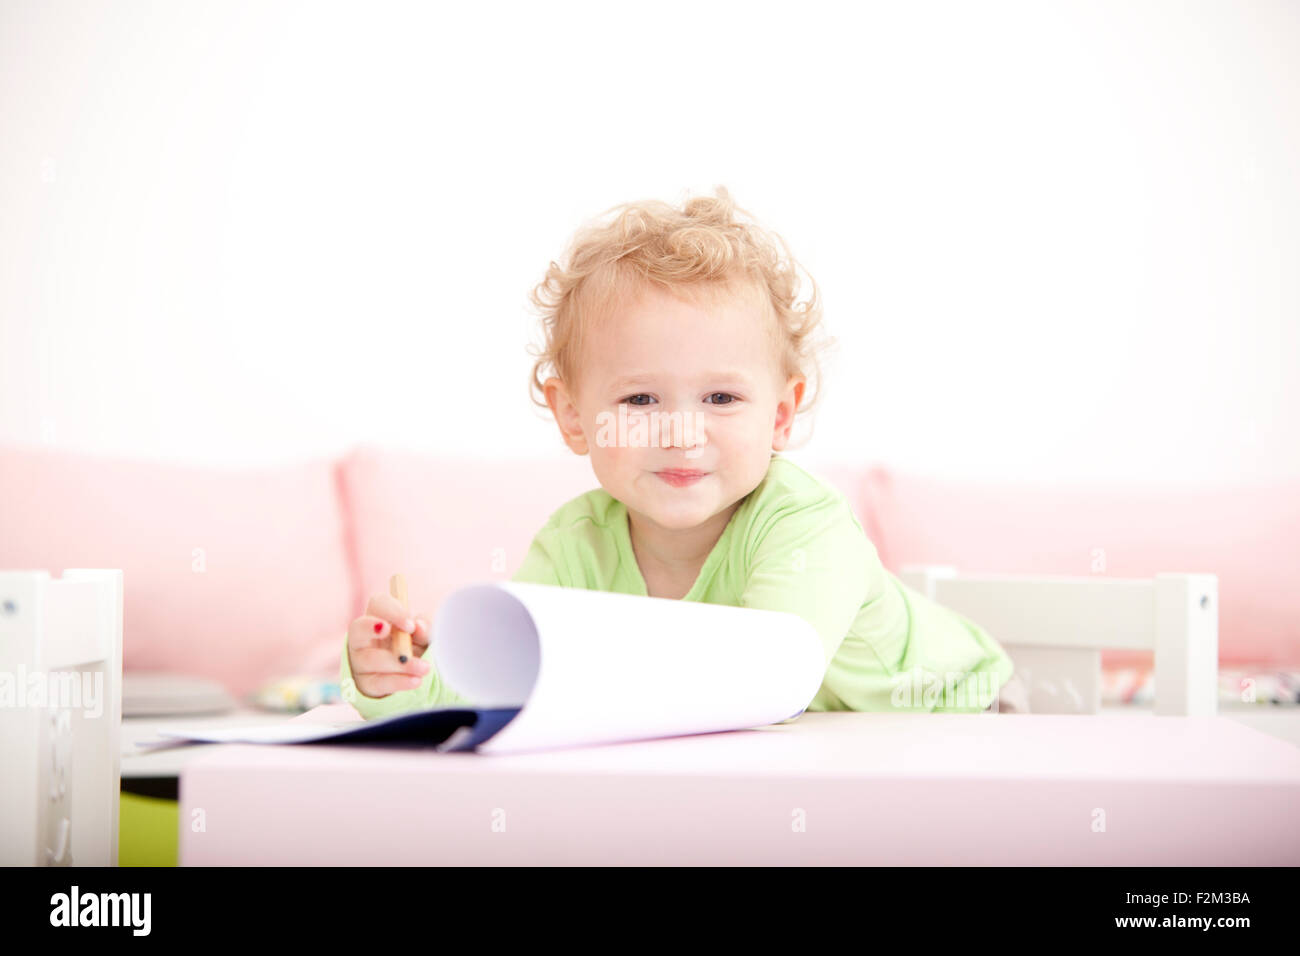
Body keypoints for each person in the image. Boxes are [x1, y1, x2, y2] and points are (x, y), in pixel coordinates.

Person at [341, 186, 1023, 718]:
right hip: (803, 759)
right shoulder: (577, 545)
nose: (681, 434)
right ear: (574, 417)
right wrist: (399, 678)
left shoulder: (805, 526)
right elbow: (501, 688)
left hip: (971, 721)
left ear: (780, 416)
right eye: (641, 401)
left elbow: (763, 678)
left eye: (721, 399)